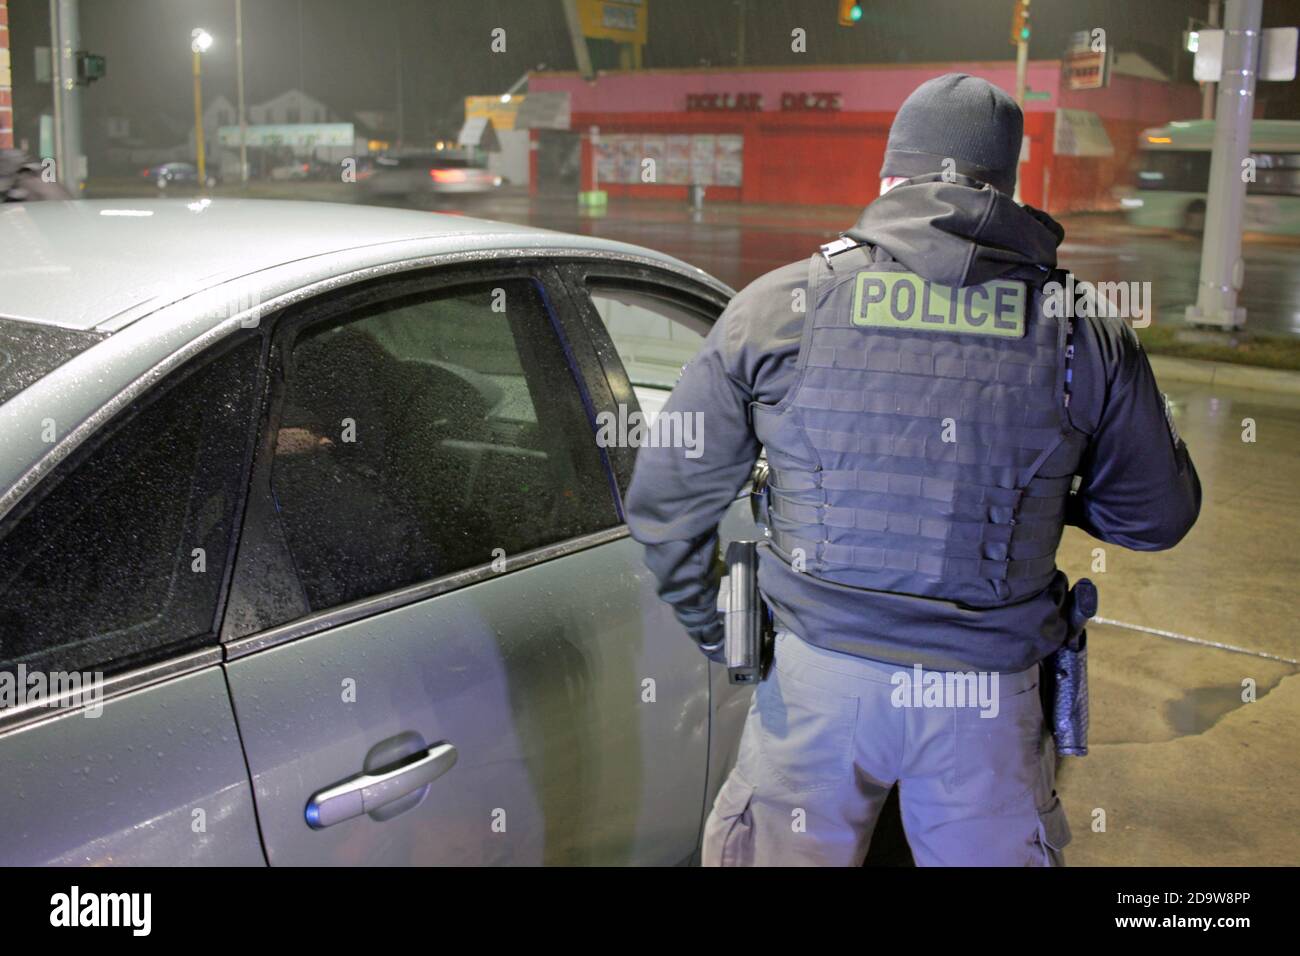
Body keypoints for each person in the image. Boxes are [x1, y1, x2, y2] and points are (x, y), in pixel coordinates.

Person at [624, 73, 1201, 866]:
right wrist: (1047, 491)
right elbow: (1157, 519)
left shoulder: (780, 306)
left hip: (816, 689)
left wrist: (729, 632)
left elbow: (664, 503)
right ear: (1006, 187)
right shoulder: (1083, 331)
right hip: (988, 704)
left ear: (889, 178)